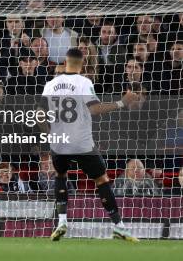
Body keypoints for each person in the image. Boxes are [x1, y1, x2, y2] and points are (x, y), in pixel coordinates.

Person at [39, 47, 141, 242]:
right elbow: (94, 109)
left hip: (59, 143)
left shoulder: (51, 84)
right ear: (82, 63)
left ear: (65, 62)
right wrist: (121, 102)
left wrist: (49, 134)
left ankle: (62, 222)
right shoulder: (84, 82)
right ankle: (119, 226)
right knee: (101, 180)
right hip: (82, 143)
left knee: (60, 174)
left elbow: (39, 114)